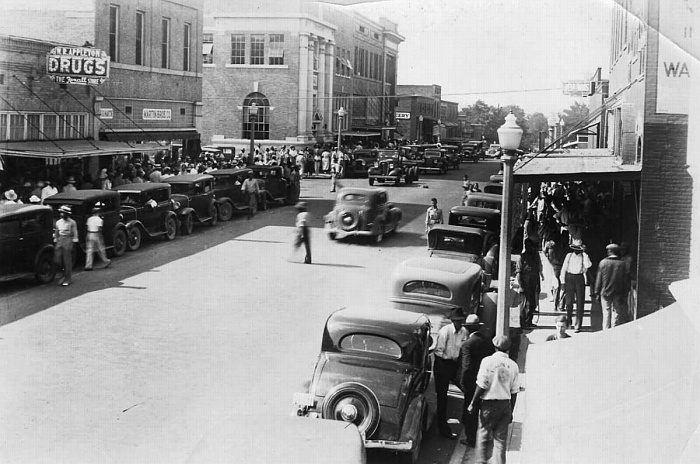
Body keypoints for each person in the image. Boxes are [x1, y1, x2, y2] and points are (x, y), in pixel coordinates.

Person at [467, 335, 520, 464]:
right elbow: (514, 391)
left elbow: (482, 384)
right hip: (505, 405)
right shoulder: (513, 365)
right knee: (500, 441)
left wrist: (473, 403)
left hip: (489, 404)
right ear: (508, 349)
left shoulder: (487, 361)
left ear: (495, 347)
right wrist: (511, 411)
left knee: (483, 435)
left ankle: (480, 462)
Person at [460, 315, 495, 448]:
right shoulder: (488, 341)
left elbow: (466, 367)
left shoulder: (467, 344)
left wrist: (463, 384)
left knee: (470, 411)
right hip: (487, 381)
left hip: (472, 384)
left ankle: (471, 439)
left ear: (467, 328)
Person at [434, 308, 468, 439]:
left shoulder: (464, 332)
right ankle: (443, 430)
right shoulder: (445, 331)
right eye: (458, 321)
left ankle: (466, 420)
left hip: (454, 364)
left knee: (466, 388)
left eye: (462, 321)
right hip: (443, 363)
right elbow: (439, 352)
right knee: (442, 398)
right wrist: (444, 366)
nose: (460, 324)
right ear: (453, 321)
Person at [594, 243, 631, 329]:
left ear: (609, 252)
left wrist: (596, 292)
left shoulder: (603, 263)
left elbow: (598, 279)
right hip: (618, 292)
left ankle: (606, 331)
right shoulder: (623, 264)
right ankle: (614, 330)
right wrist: (626, 292)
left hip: (605, 292)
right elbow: (626, 280)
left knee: (606, 312)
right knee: (616, 312)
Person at [560, 238, 592, 332]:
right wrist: (563, 282)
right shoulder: (569, 256)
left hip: (579, 278)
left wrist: (585, 254)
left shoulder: (584, 256)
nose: (576, 250)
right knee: (569, 302)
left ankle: (578, 324)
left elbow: (588, 265)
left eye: (578, 249)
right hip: (569, 278)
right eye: (575, 248)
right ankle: (569, 321)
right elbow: (563, 269)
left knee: (580, 302)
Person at [517, 240, 543, 329]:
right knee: (525, 303)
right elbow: (518, 273)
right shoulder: (522, 257)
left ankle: (529, 321)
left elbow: (539, 267)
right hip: (525, 282)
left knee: (532, 303)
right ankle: (523, 323)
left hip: (534, 281)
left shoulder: (536, 256)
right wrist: (521, 286)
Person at [53, 205, 79, 286]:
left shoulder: (72, 222)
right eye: (61, 212)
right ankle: (61, 272)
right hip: (60, 240)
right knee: (57, 258)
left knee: (67, 260)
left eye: (63, 213)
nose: (61, 214)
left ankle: (67, 278)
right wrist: (56, 239)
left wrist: (74, 242)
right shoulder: (58, 222)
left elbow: (75, 232)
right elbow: (57, 232)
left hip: (68, 239)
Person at [84, 204, 111, 271]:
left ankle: (88, 265)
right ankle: (106, 261)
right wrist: (100, 237)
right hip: (96, 234)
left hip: (89, 233)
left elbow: (87, 227)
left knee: (89, 250)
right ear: (98, 212)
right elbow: (99, 229)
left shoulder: (89, 219)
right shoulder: (99, 220)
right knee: (100, 249)